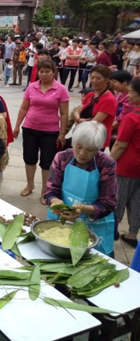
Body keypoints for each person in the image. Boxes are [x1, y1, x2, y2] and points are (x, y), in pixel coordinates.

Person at [45, 121, 117, 256]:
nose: (82, 153)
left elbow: (108, 203)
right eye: (78, 147)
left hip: (95, 224)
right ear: (73, 142)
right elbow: (50, 190)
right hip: (63, 218)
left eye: (90, 150)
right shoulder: (62, 158)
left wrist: (83, 209)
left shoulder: (106, 164)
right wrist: (55, 202)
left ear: (98, 148)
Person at [13, 60, 69, 204]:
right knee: (29, 158)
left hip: (50, 131)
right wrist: (17, 125)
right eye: (41, 71)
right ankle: (30, 185)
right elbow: (24, 108)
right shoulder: (32, 87)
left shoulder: (61, 89)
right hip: (30, 128)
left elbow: (64, 113)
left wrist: (62, 133)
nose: (44, 74)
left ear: (53, 72)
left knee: (47, 162)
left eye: (47, 71)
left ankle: (46, 190)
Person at [110, 78, 140, 248]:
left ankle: (111, 231)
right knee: (137, 201)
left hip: (127, 167)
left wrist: (107, 164)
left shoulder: (132, 118)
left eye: (131, 92)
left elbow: (120, 145)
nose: (128, 95)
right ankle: (132, 234)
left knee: (117, 201)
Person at [72, 65, 117, 150]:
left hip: (96, 139)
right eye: (92, 78)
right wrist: (78, 119)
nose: (94, 81)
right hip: (83, 135)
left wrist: (78, 119)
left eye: (98, 78)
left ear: (107, 80)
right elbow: (75, 112)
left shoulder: (109, 100)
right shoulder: (90, 94)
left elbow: (94, 122)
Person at [110, 70, 135, 147]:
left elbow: (121, 118)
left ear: (125, 82)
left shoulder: (130, 98)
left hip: (121, 133)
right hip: (113, 130)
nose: (112, 85)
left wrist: (106, 130)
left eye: (115, 82)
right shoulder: (119, 94)